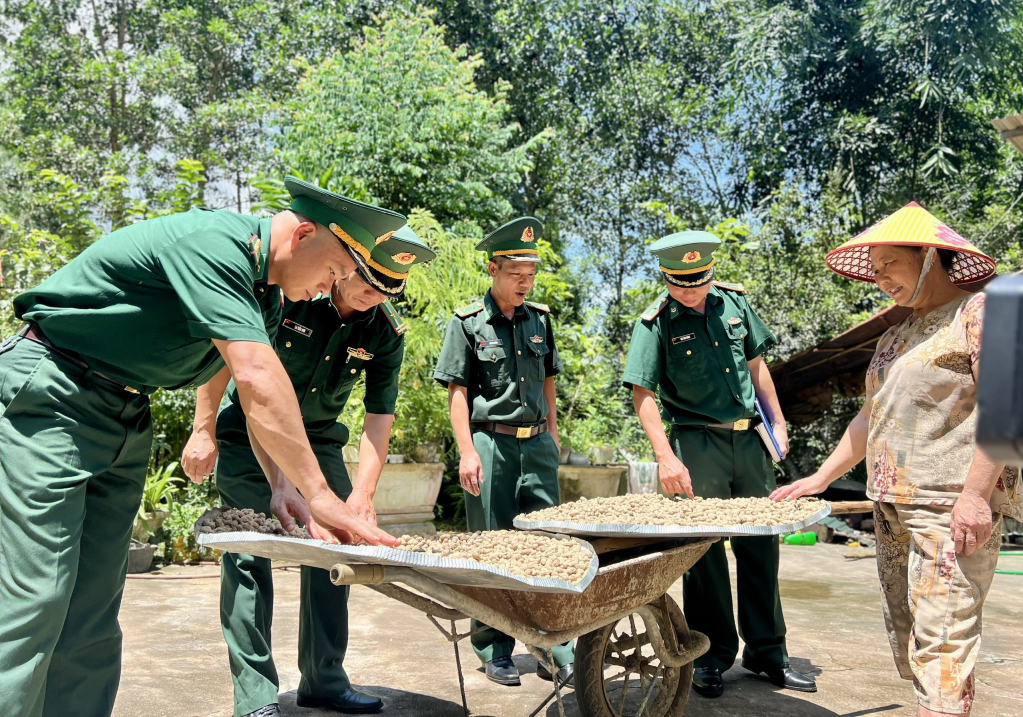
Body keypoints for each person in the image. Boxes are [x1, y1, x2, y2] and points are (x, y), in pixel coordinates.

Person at [0, 176, 401, 717]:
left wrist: (283, 486)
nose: (329, 289)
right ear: (303, 234)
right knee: (37, 598)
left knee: (93, 609)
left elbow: (258, 403)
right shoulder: (214, 244)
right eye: (333, 271)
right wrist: (321, 493)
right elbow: (256, 374)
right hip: (55, 395)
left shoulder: (269, 299)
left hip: (126, 410)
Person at [773, 202, 1022, 717]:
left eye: (890, 262)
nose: (880, 276)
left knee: (943, 640)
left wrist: (976, 496)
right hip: (892, 507)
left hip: (949, 506)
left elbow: (1007, 402)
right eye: (875, 266)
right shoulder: (893, 337)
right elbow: (870, 419)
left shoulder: (979, 312)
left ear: (930, 255)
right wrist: (819, 478)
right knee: (911, 634)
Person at [181, 215, 433, 717]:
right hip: (249, 433)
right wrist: (203, 428)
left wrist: (361, 494)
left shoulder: (385, 333)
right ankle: (255, 696)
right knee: (249, 556)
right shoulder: (292, 294)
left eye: (389, 290)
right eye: (369, 282)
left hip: (317, 443)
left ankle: (324, 679)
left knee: (334, 552)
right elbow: (226, 359)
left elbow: (379, 417)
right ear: (347, 266)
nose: (375, 296)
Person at [621, 231, 816, 698]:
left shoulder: (734, 304)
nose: (691, 290)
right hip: (696, 446)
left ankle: (769, 654)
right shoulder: (655, 323)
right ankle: (709, 656)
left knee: (762, 548)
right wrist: (665, 456)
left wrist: (779, 421)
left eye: (699, 281)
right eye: (681, 283)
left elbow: (757, 367)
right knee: (704, 556)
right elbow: (642, 394)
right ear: (666, 277)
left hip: (749, 443)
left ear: (711, 272)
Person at [432, 217, 572, 687]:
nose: (524, 284)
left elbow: (549, 378)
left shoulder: (541, 320)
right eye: (516, 275)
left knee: (547, 546)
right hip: (490, 444)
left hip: (537, 447)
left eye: (530, 276)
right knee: (491, 547)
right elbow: (456, 390)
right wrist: (466, 450)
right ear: (493, 269)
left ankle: (553, 644)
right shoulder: (467, 322)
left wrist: (552, 432)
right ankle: (496, 648)